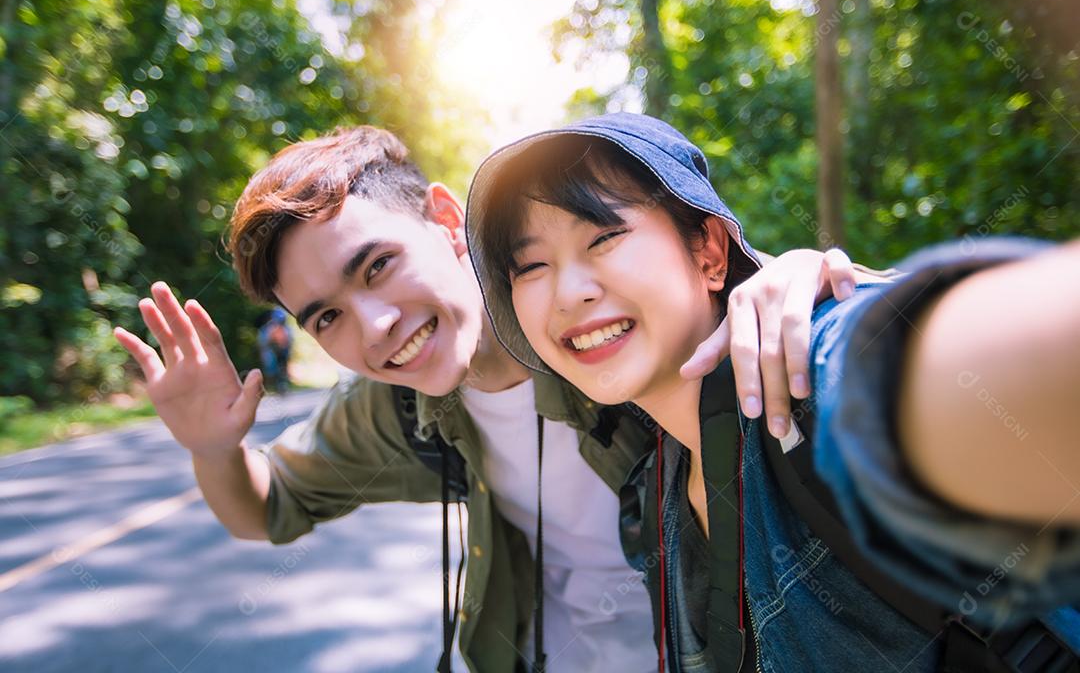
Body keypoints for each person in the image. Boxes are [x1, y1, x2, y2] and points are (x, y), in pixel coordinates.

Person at [113, 125, 881, 672]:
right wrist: (212, 446)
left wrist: (793, 277)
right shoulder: (397, 408)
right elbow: (266, 506)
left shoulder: (599, 329)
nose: (375, 326)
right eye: (326, 317)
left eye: (376, 266)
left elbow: (727, 304)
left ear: (448, 222)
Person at [466, 112, 1080, 672]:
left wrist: (880, 301)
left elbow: (966, 365)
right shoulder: (653, 493)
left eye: (602, 237)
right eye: (531, 267)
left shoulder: (814, 373)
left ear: (708, 250)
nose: (569, 292)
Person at [255, 307, 292, 392]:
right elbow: (264, 342)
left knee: (282, 368)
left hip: (282, 352)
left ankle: (282, 385)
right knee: (271, 369)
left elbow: (288, 341)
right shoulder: (269, 329)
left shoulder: (285, 329)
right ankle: (272, 386)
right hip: (273, 351)